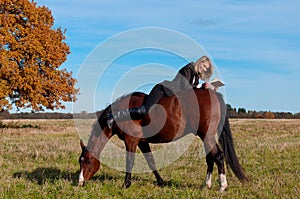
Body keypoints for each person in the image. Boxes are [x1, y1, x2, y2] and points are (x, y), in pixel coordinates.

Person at [107, 56, 214, 128]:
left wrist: (207, 87)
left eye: (206, 69)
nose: (204, 69)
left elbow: (193, 90)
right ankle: (114, 116)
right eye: (204, 66)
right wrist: (202, 86)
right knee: (144, 110)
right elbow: (186, 86)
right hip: (162, 90)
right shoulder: (188, 69)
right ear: (200, 62)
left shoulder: (195, 77)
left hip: (170, 94)